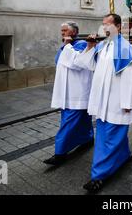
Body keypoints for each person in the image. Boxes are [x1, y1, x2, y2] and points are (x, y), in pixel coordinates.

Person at [83, 14, 132, 194]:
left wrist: (127, 102)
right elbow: (88, 65)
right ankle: (123, 156)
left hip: (116, 102)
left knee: (108, 137)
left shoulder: (125, 49)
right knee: (110, 134)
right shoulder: (102, 45)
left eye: (108, 24)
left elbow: (130, 78)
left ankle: (98, 176)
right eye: (103, 25)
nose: (104, 28)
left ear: (118, 26)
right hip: (102, 101)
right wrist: (90, 46)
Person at [44, 22, 96, 166]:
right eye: (61, 30)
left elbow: (77, 63)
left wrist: (66, 46)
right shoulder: (67, 45)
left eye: (65, 30)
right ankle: (87, 138)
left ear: (73, 32)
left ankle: (60, 153)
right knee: (82, 118)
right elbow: (58, 61)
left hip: (77, 91)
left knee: (69, 122)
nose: (62, 33)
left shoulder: (81, 44)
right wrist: (65, 46)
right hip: (69, 91)